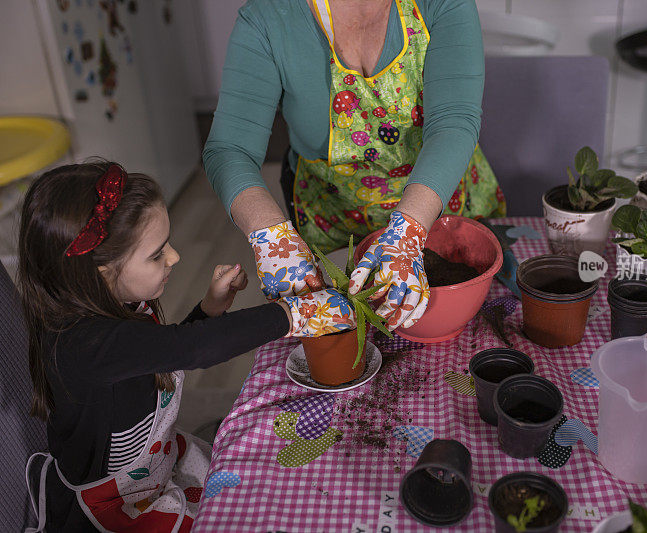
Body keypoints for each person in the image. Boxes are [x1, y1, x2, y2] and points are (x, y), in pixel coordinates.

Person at [18, 161, 355, 531]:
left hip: (155, 466)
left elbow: (162, 350)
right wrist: (292, 315)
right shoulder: (84, 343)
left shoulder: (110, 307)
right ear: (100, 272)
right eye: (157, 254)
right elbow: (191, 349)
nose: (174, 257)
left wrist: (208, 310)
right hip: (117, 504)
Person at [203, 0, 506, 331]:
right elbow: (230, 148)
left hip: (440, 217)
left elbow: (453, 121)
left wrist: (407, 233)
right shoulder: (269, 19)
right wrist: (271, 237)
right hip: (334, 227)